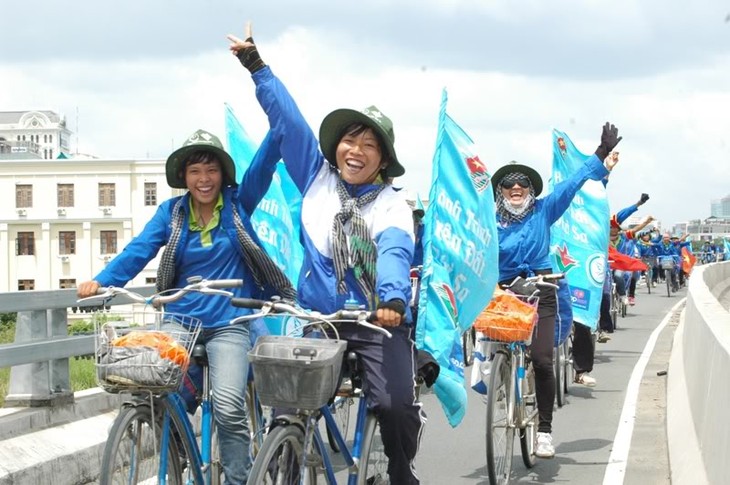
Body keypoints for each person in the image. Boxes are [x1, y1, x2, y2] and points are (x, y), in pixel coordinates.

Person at [227, 25, 425, 484]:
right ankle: (286, 465)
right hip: (319, 321)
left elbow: (395, 249)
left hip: (376, 322)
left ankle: (401, 471)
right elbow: (290, 123)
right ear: (338, 147)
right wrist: (258, 68)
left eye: (370, 145)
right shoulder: (317, 178)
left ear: (382, 160)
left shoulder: (392, 203)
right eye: (350, 141)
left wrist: (393, 300)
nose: (357, 150)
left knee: (394, 405)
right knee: (286, 408)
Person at [77, 129, 295, 484]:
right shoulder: (171, 214)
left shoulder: (238, 203)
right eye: (195, 170)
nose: (204, 179)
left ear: (223, 174)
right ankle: (178, 456)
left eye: (211, 170)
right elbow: (139, 249)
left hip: (230, 322)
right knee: (157, 391)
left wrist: (278, 122)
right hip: (182, 321)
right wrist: (101, 282)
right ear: (184, 176)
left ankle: (238, 479)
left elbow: (265, 161)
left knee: (227, 407)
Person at [489, 121, 622, 458]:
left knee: (543, 360)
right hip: (505, 294)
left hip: (542, 289)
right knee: (491, 353)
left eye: (522, 184)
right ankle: (499, 378)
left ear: (530, 190)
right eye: (508, 184)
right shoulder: (489, 220)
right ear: (500, 192)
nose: (516, 187)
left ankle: (544, 431)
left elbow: (574, 182)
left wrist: (601, 153)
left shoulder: (544, 209)